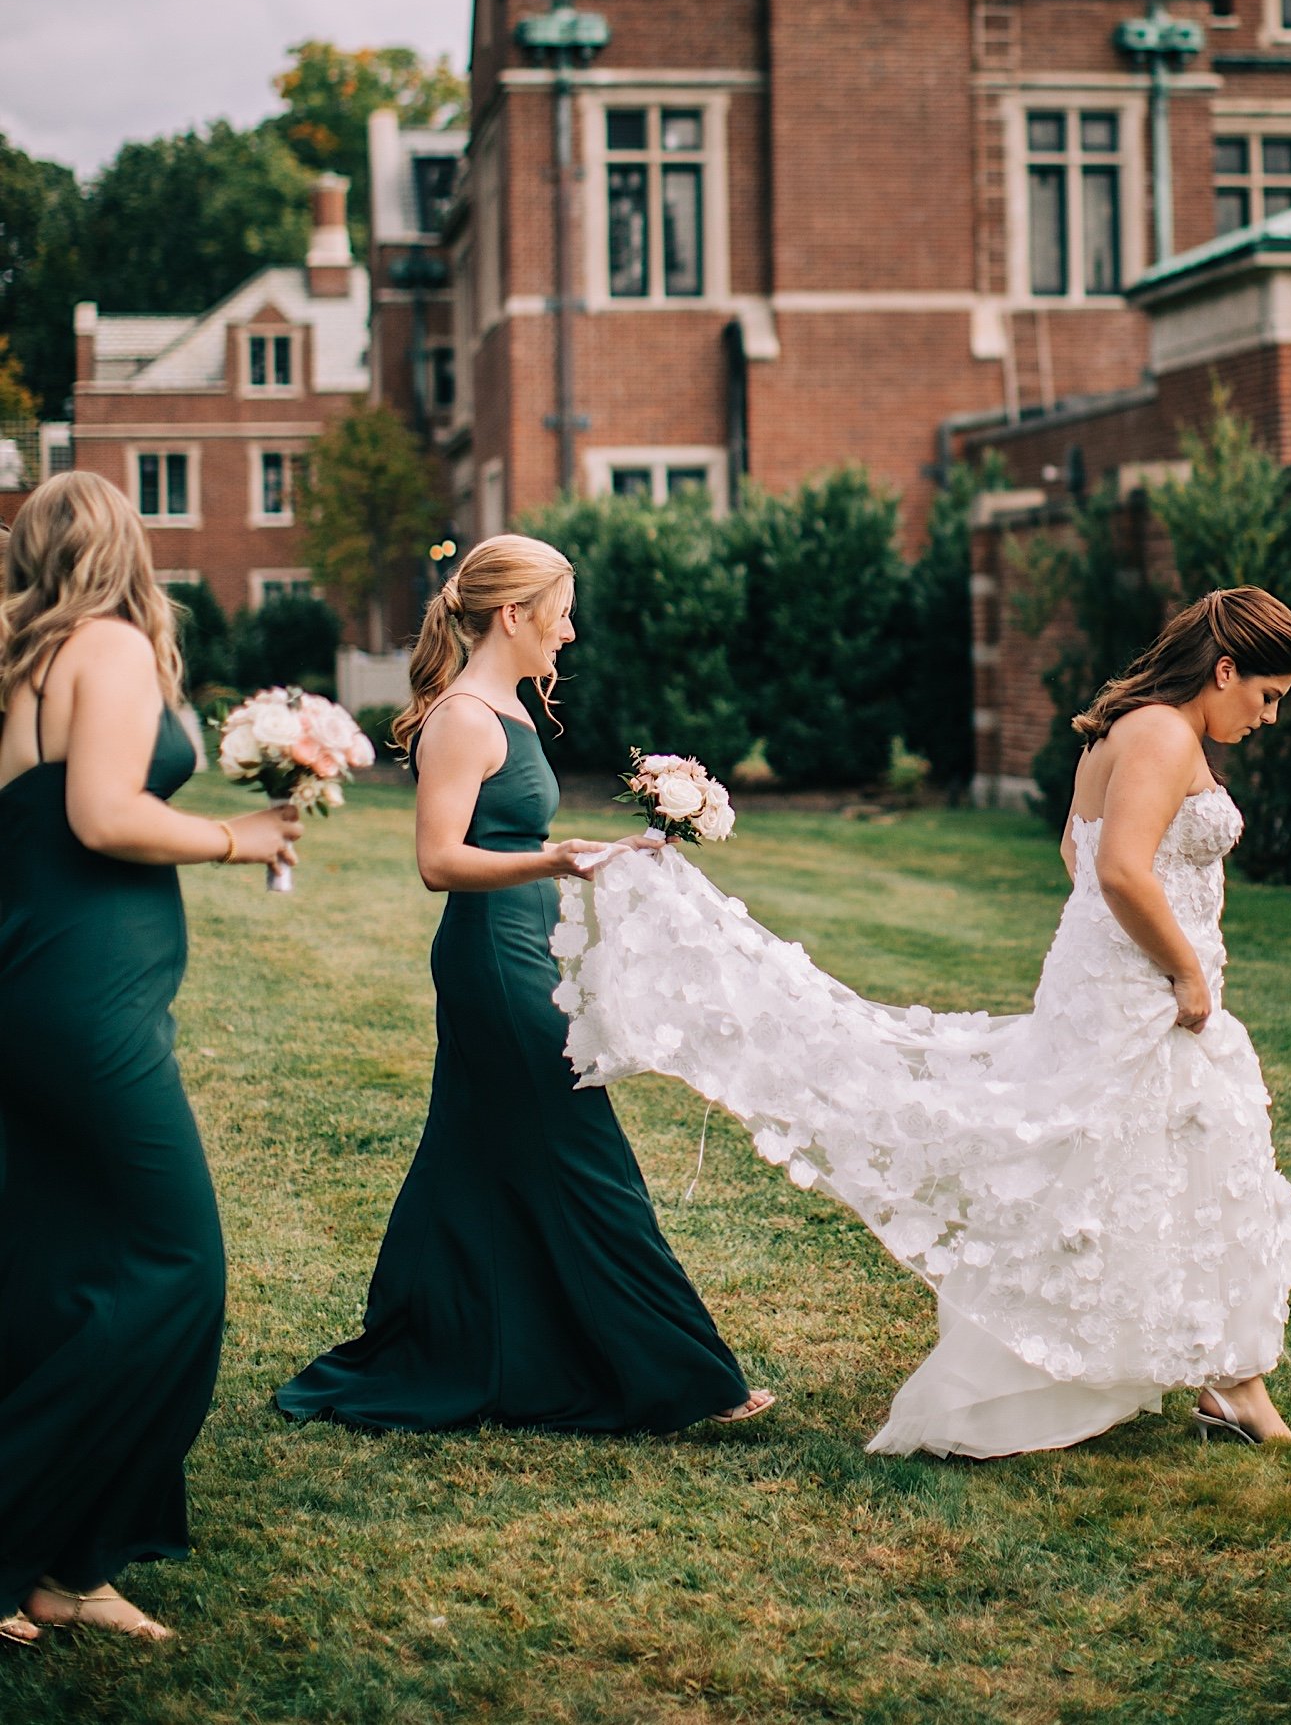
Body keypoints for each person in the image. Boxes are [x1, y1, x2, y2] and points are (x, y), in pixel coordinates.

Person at [555, 586, 1291, 1459]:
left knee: (1187, 1160)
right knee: (1127, 1166)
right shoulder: (1162, 733)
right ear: (1225, 670)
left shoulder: (1131, 727)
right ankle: (1099, 1376)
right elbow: (1119, 873)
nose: (1266, 717)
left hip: (1117, 980)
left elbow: (1077, 848)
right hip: (1144, 987)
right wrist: (1181, 964)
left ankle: (1234, 1385)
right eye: (1265, 696)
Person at [276, 533, 770, 1437]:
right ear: (513, 615)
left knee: (471, 1165)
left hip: (522, 946)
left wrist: (603, 852)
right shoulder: (464, 717)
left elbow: (508, 838)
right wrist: (553, 859)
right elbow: (438, 861)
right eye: (561, 612)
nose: (570, 633)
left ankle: (448, 1344)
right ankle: (686, 1376)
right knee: (585, 1154)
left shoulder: (505, 705)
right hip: (491, 963)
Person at [0, 476, 301, 1651]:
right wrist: (240, 836)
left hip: (29, 982)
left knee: (59, 1266)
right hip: (86, 998)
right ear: (128, 547)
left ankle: (70, 1566)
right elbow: (105, 816)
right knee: (176, 1264)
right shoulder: (110, 646)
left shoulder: (16, 662)